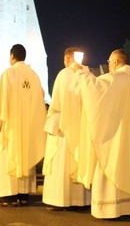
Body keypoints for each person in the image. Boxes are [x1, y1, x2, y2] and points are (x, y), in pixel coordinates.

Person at [76, 49, 130, 219]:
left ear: (116, 62)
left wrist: (82, 73)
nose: (109, 65)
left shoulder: (118, 79)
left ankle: (111, 208)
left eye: (109, 62)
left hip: (117, 136)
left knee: (112, 162)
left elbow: (95, 90)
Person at [0, 44, 46, 207]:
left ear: (12, 56)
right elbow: (41, 97)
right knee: (26, 157)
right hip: (28, 129)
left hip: (10, 128)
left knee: (7, 159)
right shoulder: (34, 76)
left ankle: (8, 196)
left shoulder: (8, 74)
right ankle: (24, 195)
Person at [42, 47, 91, 209]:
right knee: (80, 159)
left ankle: (60, 200)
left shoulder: (64, 74)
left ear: (68, 58)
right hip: (82, 128)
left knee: (61, 162)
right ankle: (81, 200)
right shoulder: (88, 74)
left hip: (64, 128)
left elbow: (56, 102)